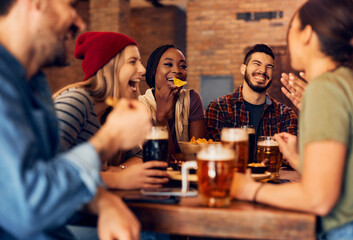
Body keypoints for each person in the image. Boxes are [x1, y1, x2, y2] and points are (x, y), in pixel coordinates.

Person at [0, 0, 152, 239]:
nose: (80, 23)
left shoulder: (34, 83)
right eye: (71, 5)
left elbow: (57, 168)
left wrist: (103, 202)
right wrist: (109, 140)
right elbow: (27, 209)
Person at [231, 0, 353, 239]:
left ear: (307, 34)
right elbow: (344, 177)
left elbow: (319, 199)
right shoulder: (345, 83)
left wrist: (249, 189)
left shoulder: (325, 88)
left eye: (290, 30)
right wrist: (298, 159)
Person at [53, 32, 169, 190]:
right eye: (132, 61)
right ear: (108, 68)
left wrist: (119, 170)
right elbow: (50, 173)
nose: (142, 70)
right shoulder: (76, 101)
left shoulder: (112, 111)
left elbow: (138, 157)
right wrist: (117, 179)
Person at [205, 44, 298, 143]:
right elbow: (217, 153)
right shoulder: (218, 108)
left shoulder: (286, 115)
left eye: (269, 66)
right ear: (243, 69)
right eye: (257, 63)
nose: (263, 70)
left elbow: (290, 156)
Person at [139, 44, 207, 156]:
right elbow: (159, 157)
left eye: (183, 66)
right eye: (168, 64)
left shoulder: (192, 99)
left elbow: (198, 153)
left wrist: (176, 158)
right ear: (153, 71)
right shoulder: (140, 106)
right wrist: (161, 118)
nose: (177, 70)